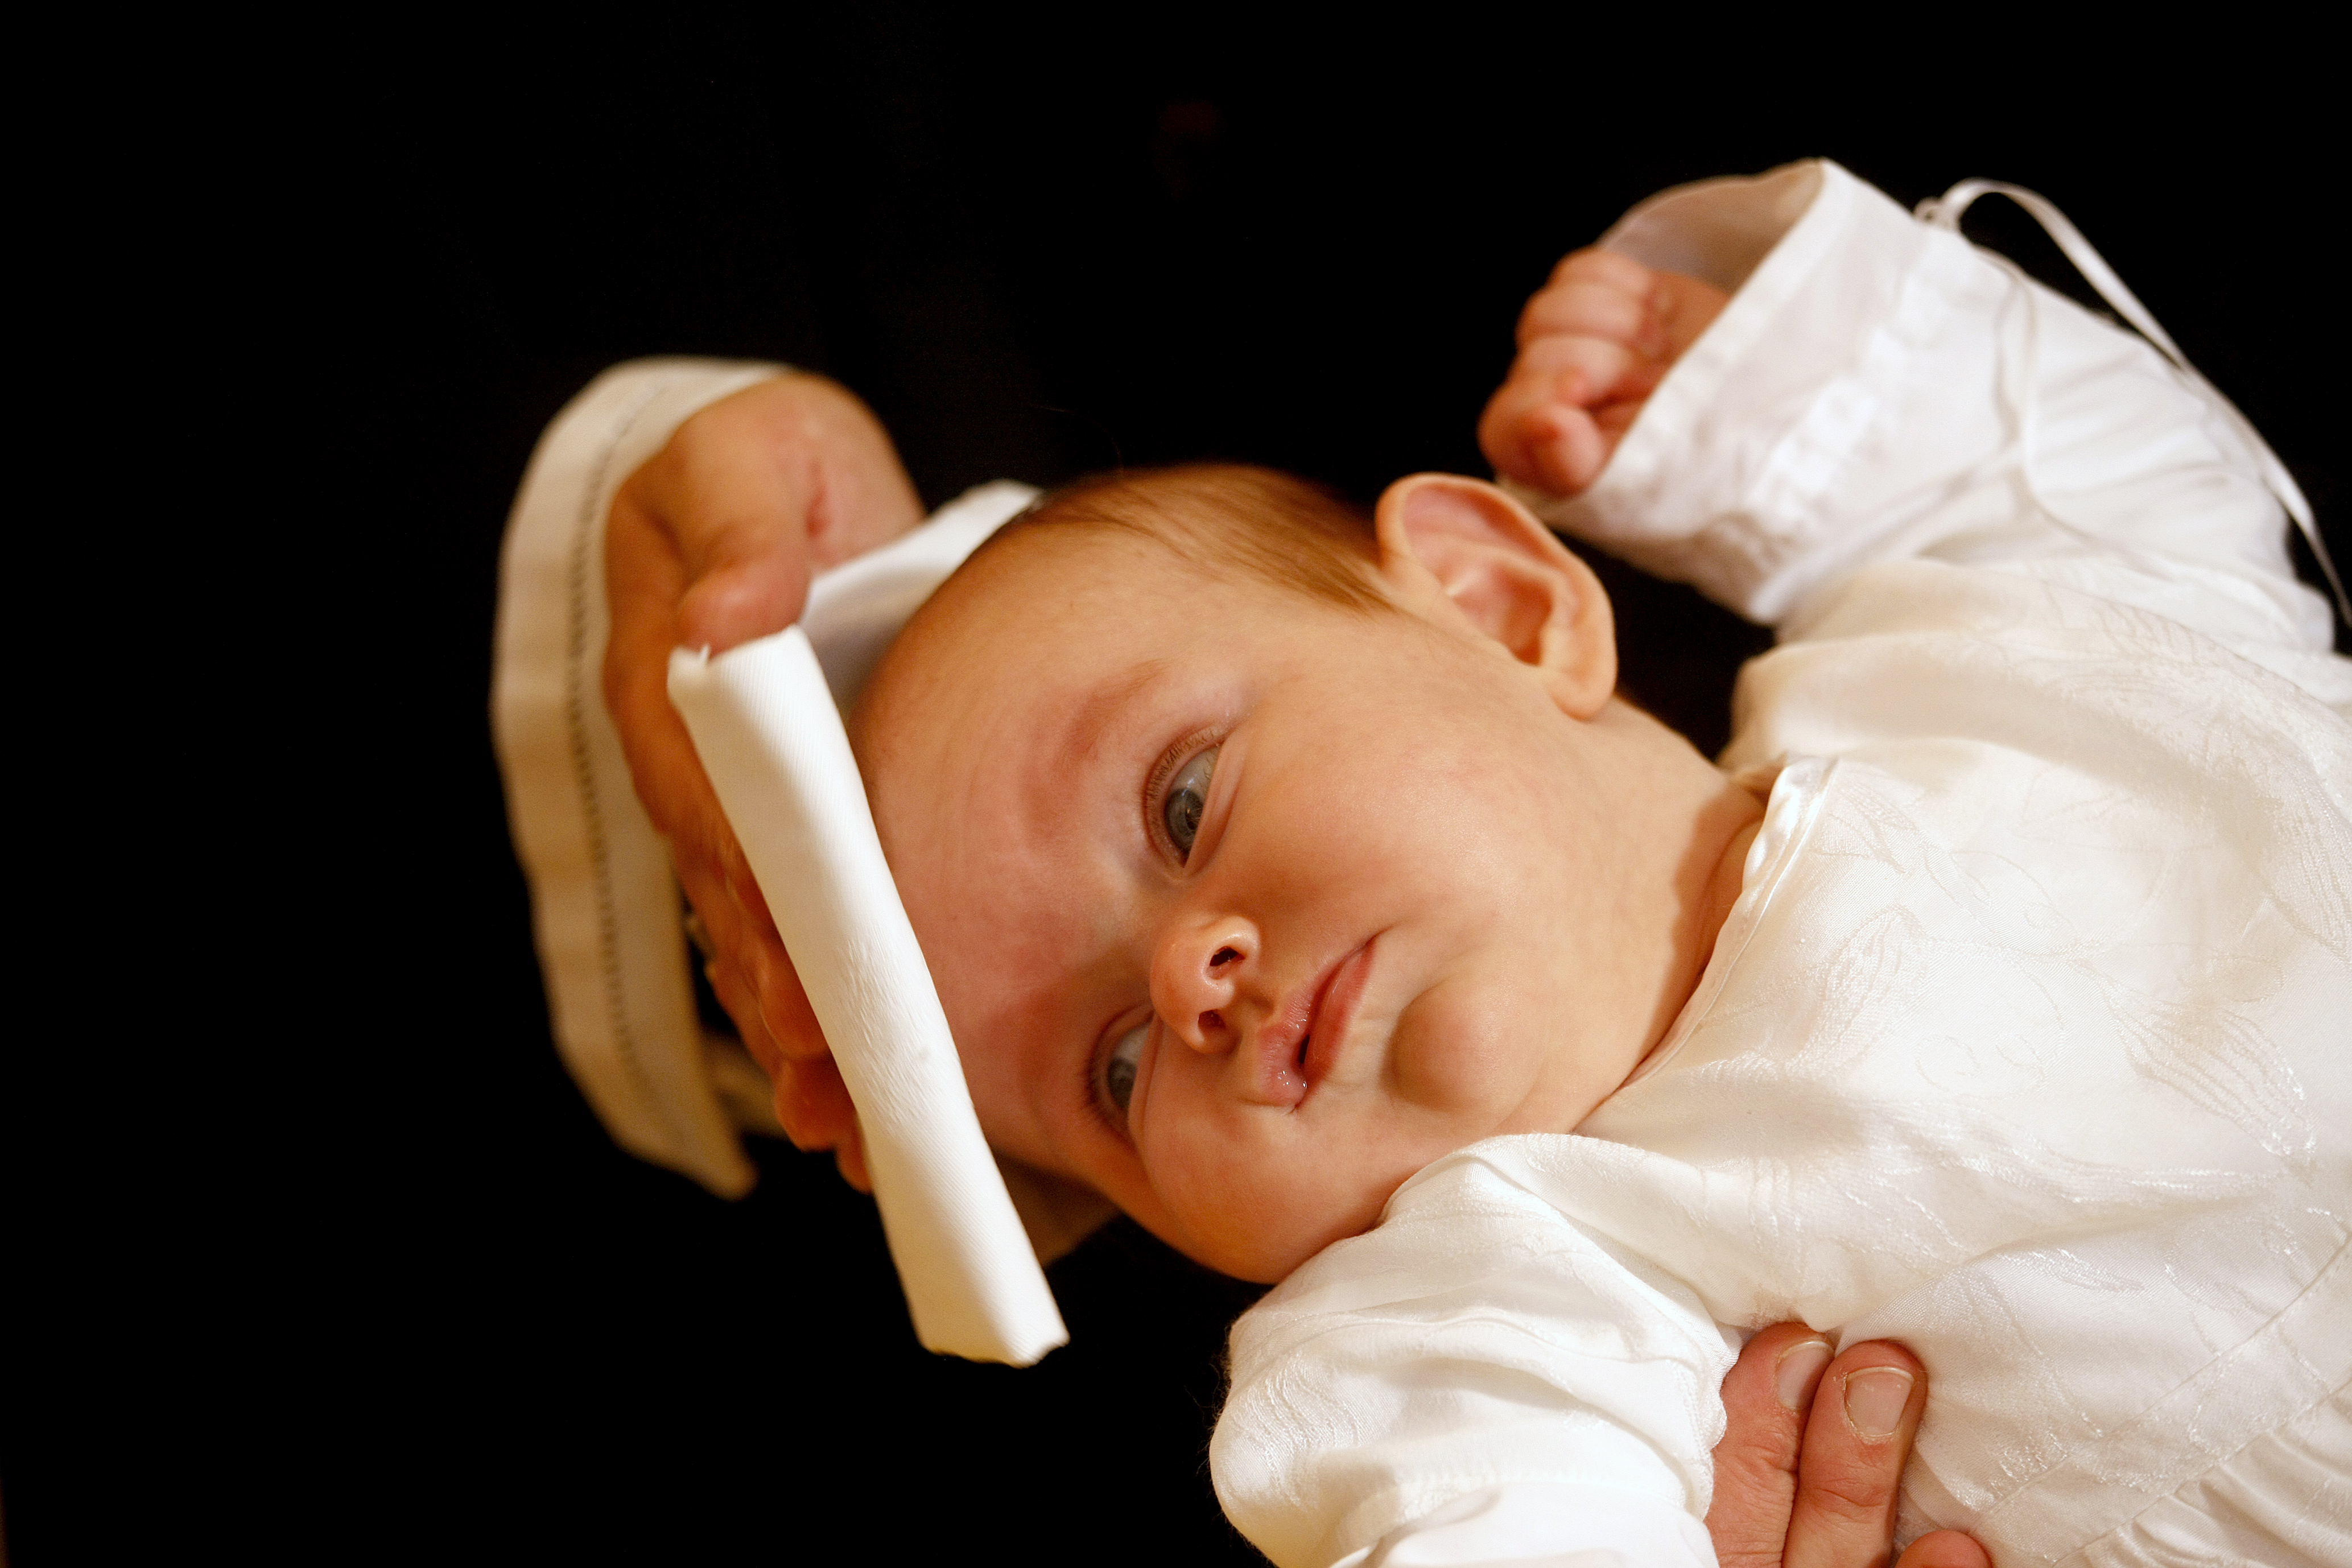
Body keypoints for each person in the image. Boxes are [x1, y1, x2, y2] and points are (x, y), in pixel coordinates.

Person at [580, 160, 2350, 1561]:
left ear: (1504, 605)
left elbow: (2101, 489)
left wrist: (1729, 398)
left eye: (1184, 804)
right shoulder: (1491, 1305)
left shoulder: (1973, 663)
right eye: (1110, 1070)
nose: (1188, 984)